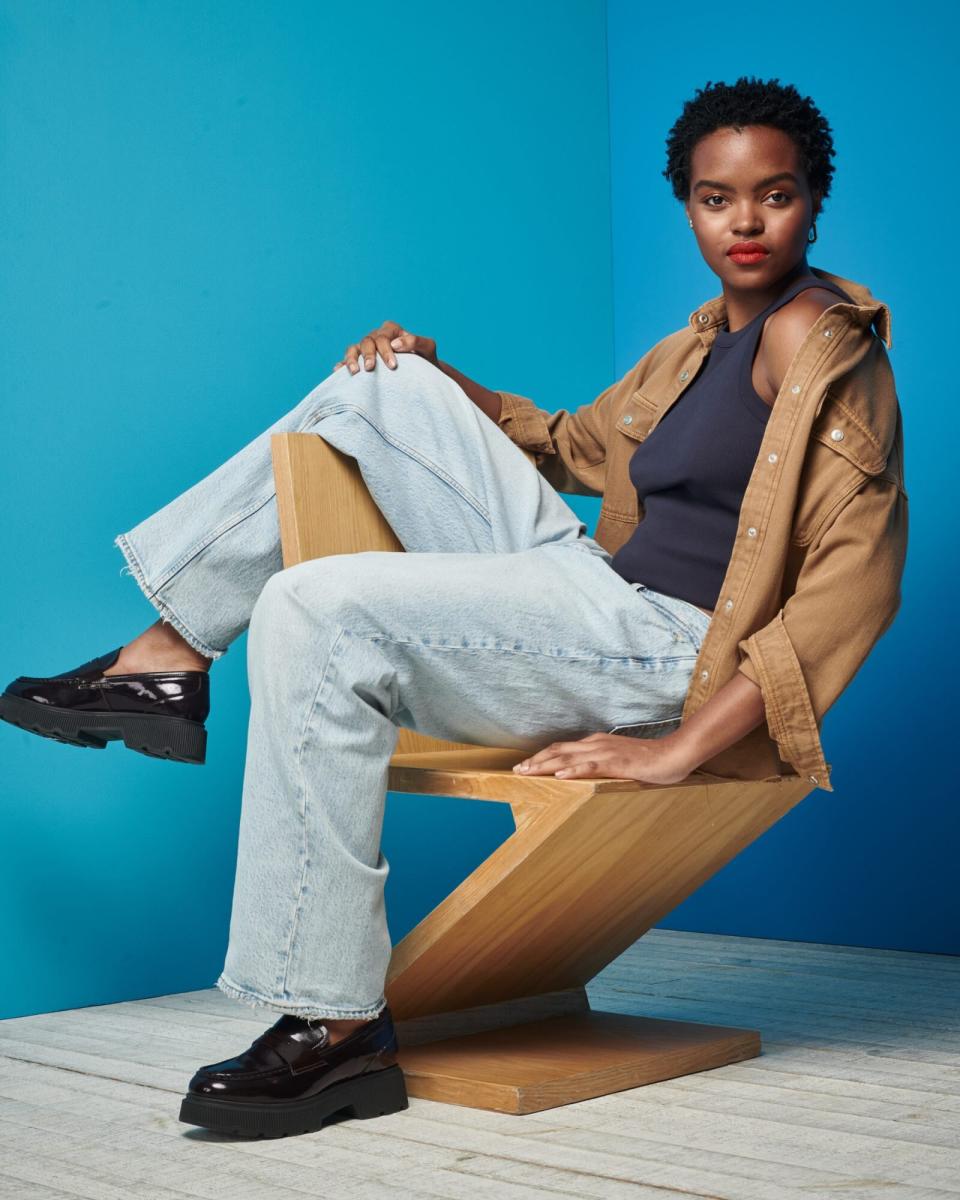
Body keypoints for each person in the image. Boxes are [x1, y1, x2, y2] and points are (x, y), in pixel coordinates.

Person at [0, 75, 906, 1139]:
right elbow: (573, 445)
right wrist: (439, 377)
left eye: (775, 195)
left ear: (815, 201)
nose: (745, 222)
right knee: (373, 386)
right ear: (688, 205)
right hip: (588, 595)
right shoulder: (696, 345)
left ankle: (335, 1025)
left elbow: (858, 578)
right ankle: (170, 652)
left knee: (316, 608)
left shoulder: (826, 346)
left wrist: (678, 747)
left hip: (663, 651)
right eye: (716, 199)